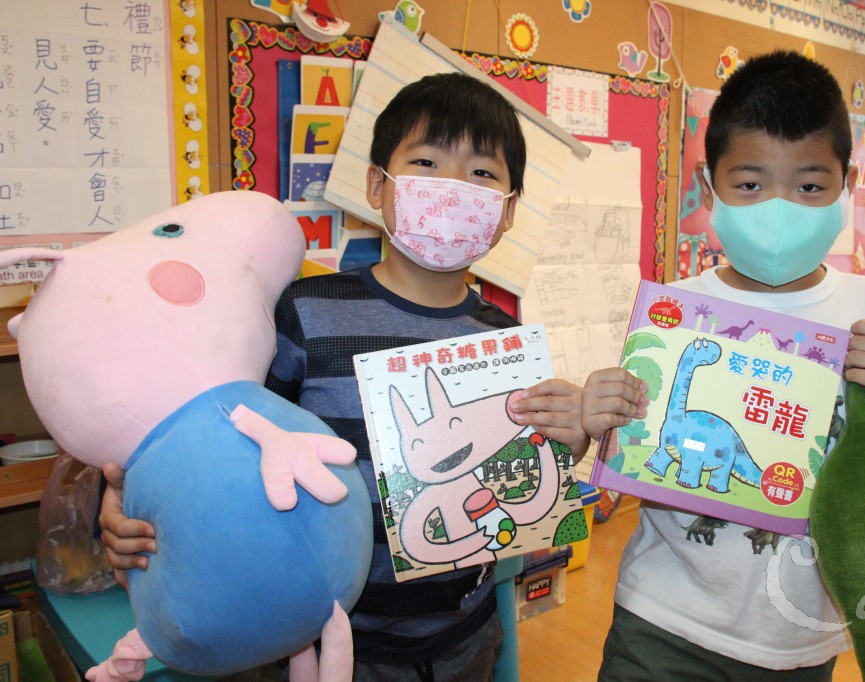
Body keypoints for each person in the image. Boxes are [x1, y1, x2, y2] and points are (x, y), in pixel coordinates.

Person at [98, 72, 592, 681]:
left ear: (509, 210)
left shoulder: (503, 341)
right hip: (316, 645)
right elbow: (220, 439)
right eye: (427, 162)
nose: (452, 188)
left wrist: (569, 441)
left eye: (482, 173)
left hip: (463, 637)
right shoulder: (306, 313)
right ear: (378, 185)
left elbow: (518, 474)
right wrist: (127, 504)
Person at [581, 50, 865, 680]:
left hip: (800, 635)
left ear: (846, 187)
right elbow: (631, 445)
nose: (779, 208)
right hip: (662, 617)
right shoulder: (674, 313)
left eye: (809, 186)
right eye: (750, 184)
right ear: (709, 188)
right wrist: (603, 411)